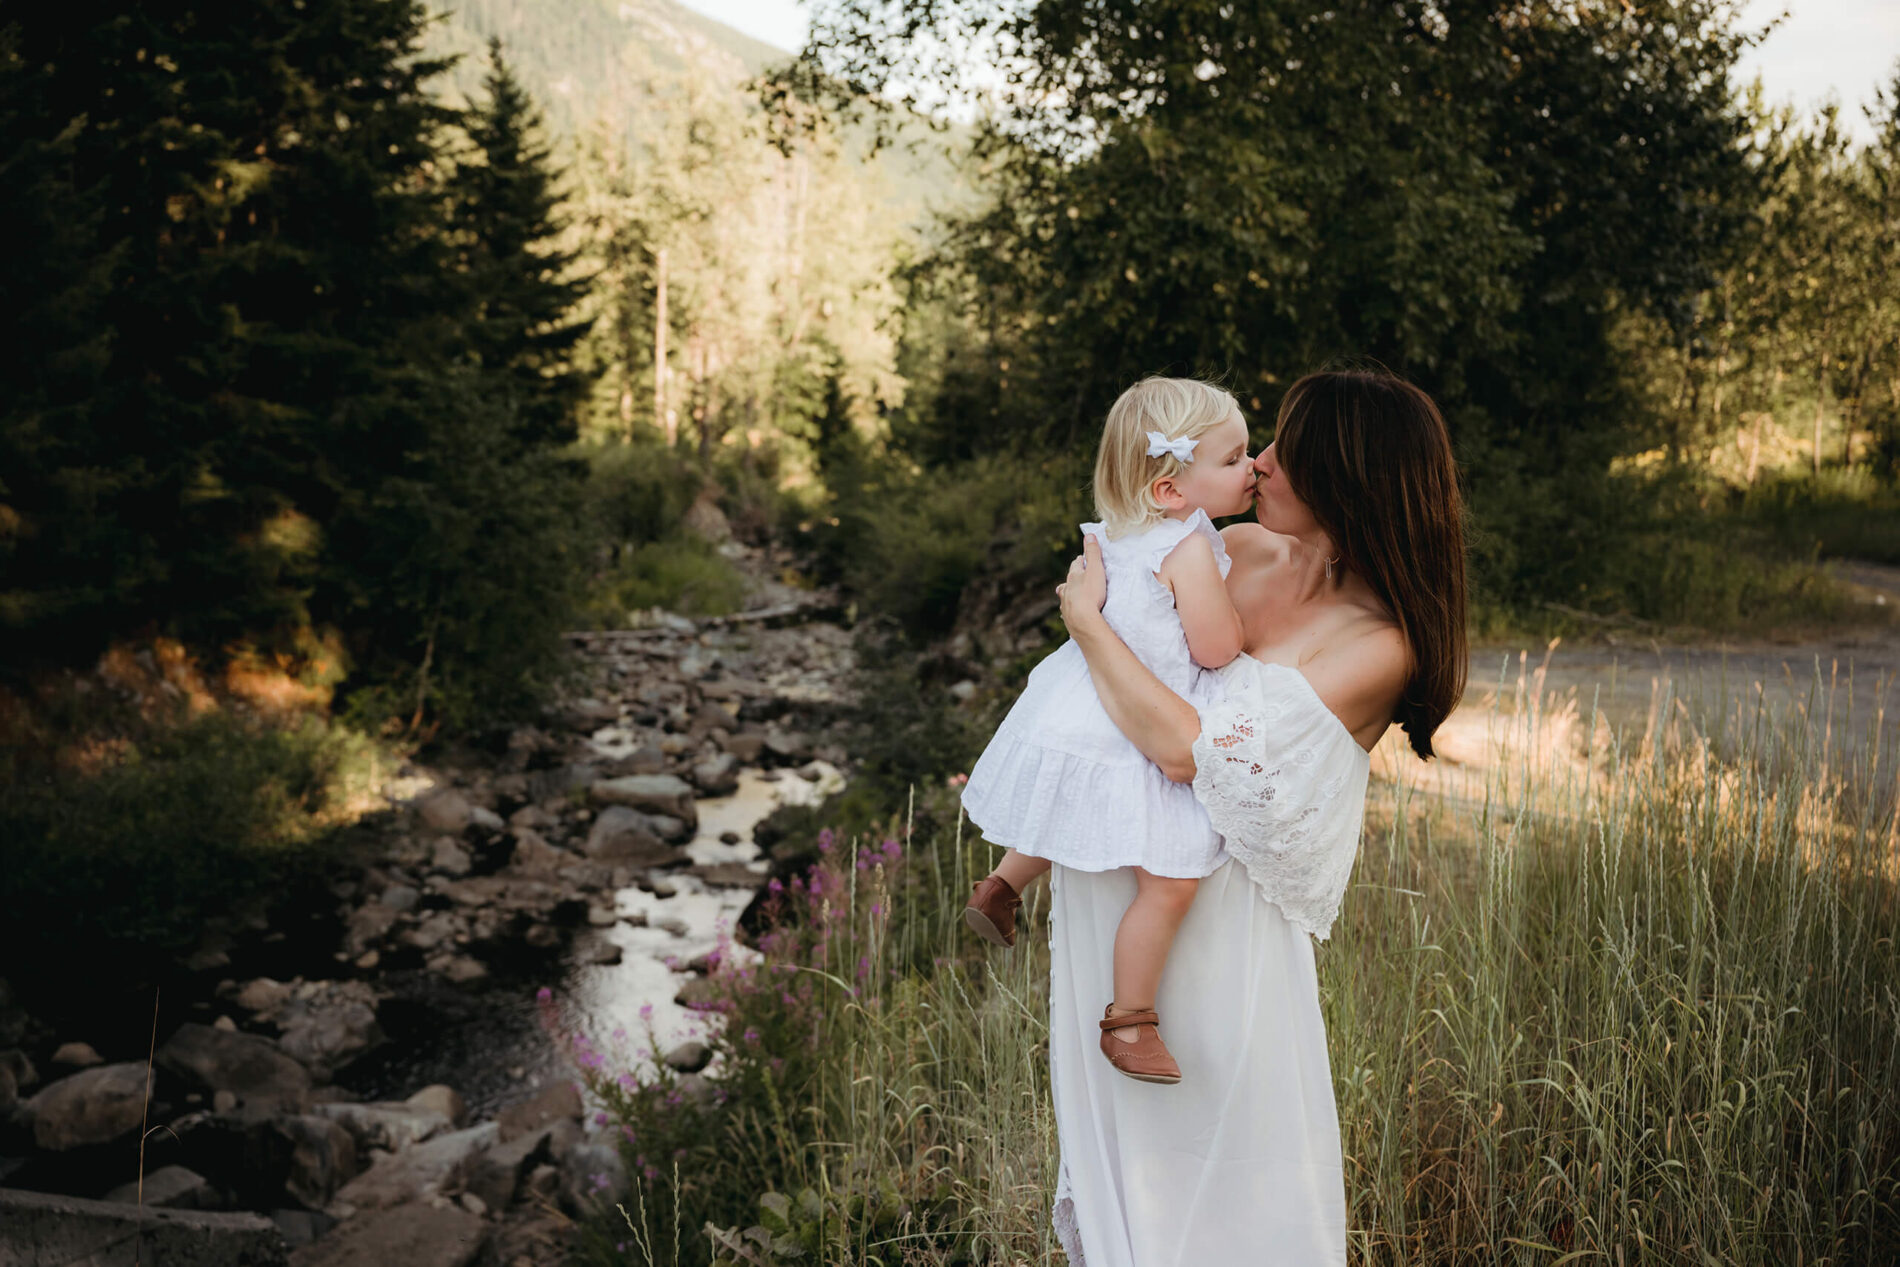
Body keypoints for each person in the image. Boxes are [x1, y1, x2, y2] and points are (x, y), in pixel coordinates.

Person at [1042, 368, 1468, 1265]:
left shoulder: (1379, 646)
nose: (1262, 463)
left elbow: (1185, 750)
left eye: (1286, 451)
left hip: (1218, 930)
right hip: (1119, 897)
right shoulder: (1234, 549)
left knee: (1228, 1181)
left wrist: (1087, 623)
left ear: (1346, 481)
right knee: (1128, 1171)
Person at [959, 377, 1258, 1085]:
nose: (1253, 466)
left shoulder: (1111, 534)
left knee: (1067, 804)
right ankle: (1130, 1019)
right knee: (1170, 880)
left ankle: (1001, 884)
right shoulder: (1187, 547)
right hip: (1140, 715)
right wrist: (1240, 621)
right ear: (1170, 490)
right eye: (1234, 457)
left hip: (1084, 700)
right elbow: (1215, 648)